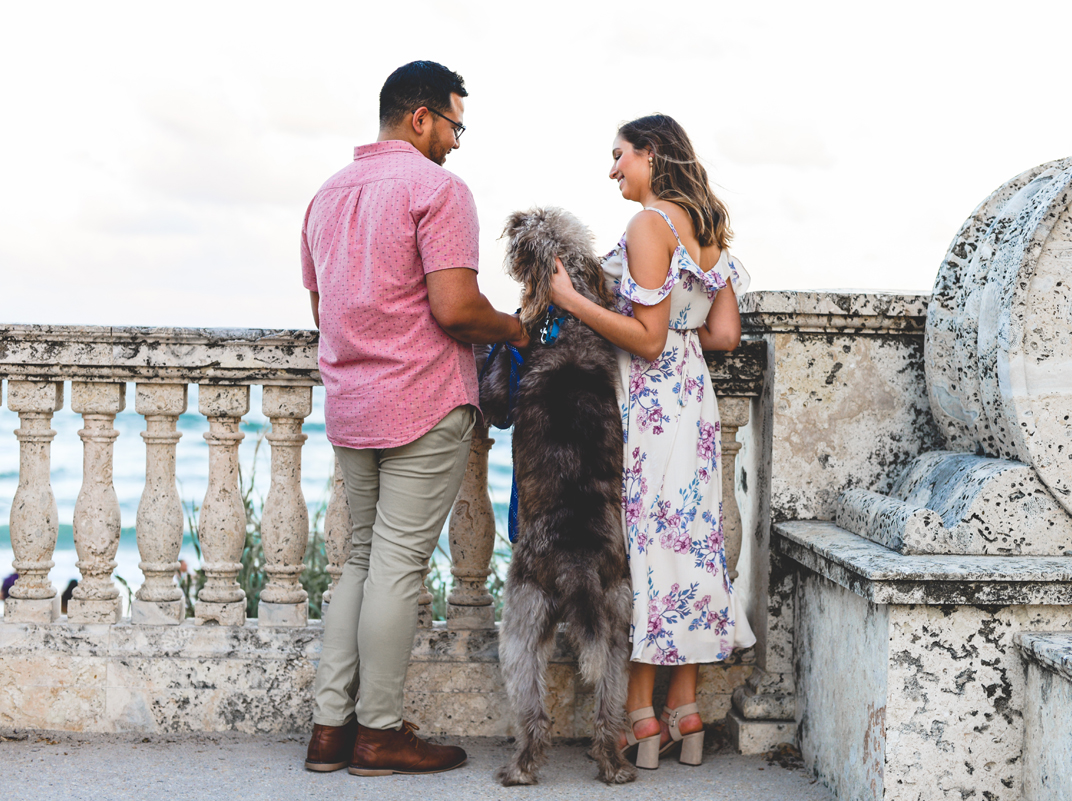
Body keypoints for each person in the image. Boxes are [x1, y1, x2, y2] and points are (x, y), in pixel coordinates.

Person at [300, 60, 528, 777]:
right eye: (455, 125)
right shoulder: (438, 190)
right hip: (421, 403)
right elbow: (455, 307)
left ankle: (329, 731)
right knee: (397, 565)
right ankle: (379, 734)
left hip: (352, 403)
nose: (458, 142)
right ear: (420, 116)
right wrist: (515, 329)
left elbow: (322, 311)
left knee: (360, 561)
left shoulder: (326, 196)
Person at [550, 114, 757, 768]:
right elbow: (722, 334)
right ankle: (684, 709)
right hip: (694, 399)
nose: (613, 169)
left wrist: (570, 299)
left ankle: (640, 715)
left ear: (653, 153)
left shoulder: (648, 225)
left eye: (620, 156)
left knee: (645, 548)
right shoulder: (705, 232)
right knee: (688, 545)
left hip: (651, 403)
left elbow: (645, 337)